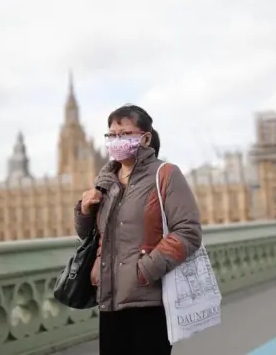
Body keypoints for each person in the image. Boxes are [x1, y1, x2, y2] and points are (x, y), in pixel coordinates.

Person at [73, 104, 202, 355]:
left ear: (145, 138)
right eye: (112, 135)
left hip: (149, 298)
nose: (116, 140)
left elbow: (188, 232)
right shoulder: (106, 182)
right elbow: (90, 236)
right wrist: (84, 212)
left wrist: (144, 270)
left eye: (125, 134)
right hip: (110, 298)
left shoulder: (165, 175)